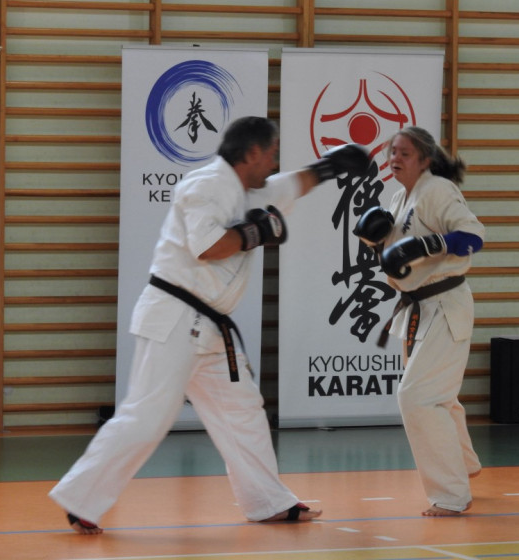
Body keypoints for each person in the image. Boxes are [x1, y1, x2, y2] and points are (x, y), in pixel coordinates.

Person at [49, 116, 369, 534]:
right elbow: (210, 246)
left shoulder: (250, 189)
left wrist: (330, 167)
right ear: (251, 153)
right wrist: (257, 232)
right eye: (271, 154)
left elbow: (292, 185)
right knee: (147, 415)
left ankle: (268, 501)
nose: (274, 162)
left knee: (243, 411)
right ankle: (81, 498)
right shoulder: (205, 185)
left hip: (210, 328)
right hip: (175, 317)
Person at [353, 125, 485, 517]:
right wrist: (376, 241)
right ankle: (465, 464)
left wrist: (430, 243)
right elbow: (397, 258)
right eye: (392, 152)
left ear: (425, 159)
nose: (395, 158)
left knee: (417, 396)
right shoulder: (399, 197)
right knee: (439, 396)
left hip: (445, 304)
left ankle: (451, 495)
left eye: (404, 153)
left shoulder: (438, 190)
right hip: (417, 307)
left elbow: (474, 236)